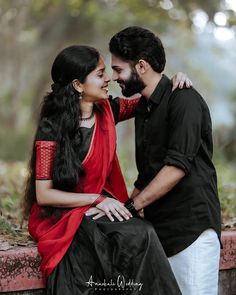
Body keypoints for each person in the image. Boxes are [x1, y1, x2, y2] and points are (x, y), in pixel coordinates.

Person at [23, 45, 189, 294]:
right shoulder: (51, 128)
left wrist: (172, 82)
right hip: (61, 213)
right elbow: (44, 195)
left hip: (99, 206)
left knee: (141, 232)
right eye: (100, 74)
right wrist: (97, 200)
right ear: (79, 85)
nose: (108, 79)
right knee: (107, 241)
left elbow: (150, 98)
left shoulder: (107, 111)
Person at [108, 26, 222, 295]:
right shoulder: (144, 108)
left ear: (142, 66)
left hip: (190, 233)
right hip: (159, 234)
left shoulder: (184, 99)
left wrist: (132, 207)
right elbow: (149, 174)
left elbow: (175, 167)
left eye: (118, 69)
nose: (115, 78)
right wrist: (119, 212)